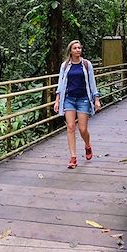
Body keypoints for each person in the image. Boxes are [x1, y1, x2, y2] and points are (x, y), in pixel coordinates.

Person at [53, 40, 102, 169]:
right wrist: (57, 100)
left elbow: (92, 82)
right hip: (69, 99)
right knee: (70, 127)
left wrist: (96, 99)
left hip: (83, 99)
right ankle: (73, 157)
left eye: (79, 48)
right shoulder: (65, 66)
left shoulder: (86, 64)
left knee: (82, 129)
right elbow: (60, 84)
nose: (78, 50)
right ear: (70, 51)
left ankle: (87, 145)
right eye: (75, 48)